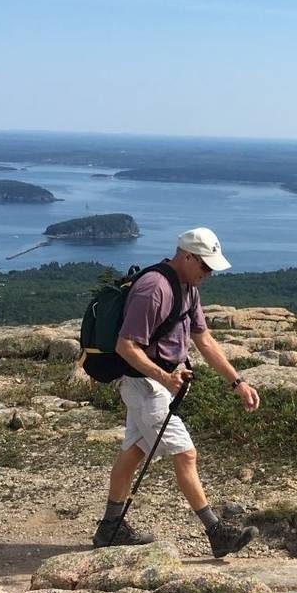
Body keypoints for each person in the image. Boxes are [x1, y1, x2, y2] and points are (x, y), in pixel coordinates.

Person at [91, 227, 262, 558]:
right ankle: (216, 531)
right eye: (205, 266)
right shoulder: (153, 289)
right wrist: (164, 377)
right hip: (145, 385)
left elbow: (204, 339)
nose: (209, 273)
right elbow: (125, 346)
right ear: (186, 256)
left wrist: (237, 382)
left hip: (156, 385)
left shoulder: (188, 287)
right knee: (186, 454)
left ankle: (109, 529)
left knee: (134, 452)